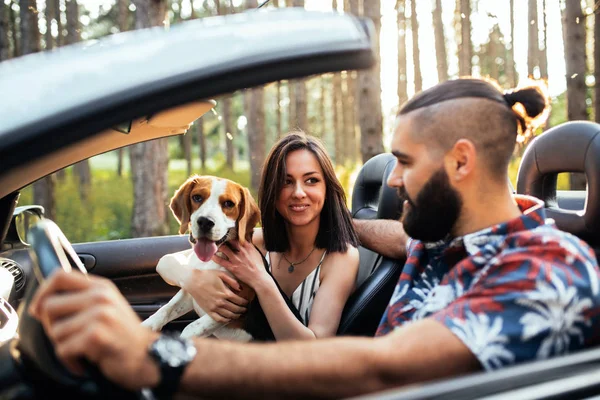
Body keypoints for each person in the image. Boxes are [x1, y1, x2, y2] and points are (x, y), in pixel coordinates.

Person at [30, 77, 600, 399]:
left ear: (461, 161)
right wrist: (334, 220)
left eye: (402, 162)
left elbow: (384, 369)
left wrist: (158, 357)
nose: (392, 180)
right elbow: (381, 233)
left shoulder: (547, 272)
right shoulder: (442, 242)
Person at [154, 131, 360, 341]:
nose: (298, 192)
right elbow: (166, 263)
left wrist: (261, 280)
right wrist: (193, 280)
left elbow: (315, 352)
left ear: (328, 188)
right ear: (272, 190)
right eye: (286, 181)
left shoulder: (341, 258)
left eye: (311, 180)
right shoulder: (257, 242)